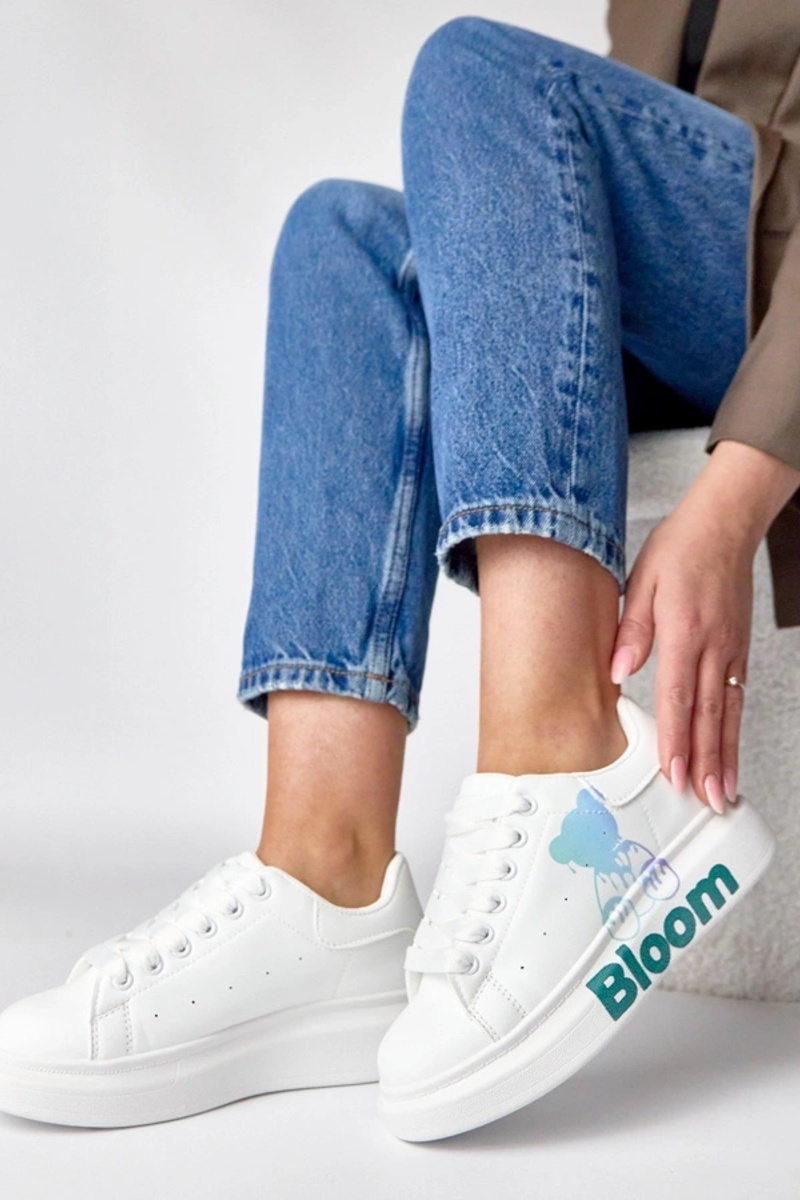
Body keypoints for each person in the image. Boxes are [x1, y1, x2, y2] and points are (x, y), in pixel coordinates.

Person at [1, 0, 799, 1139]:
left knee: (483, 75)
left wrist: (735, 494)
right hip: (709, 282)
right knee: (347, 243)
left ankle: (568, 759)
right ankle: (323, 883)